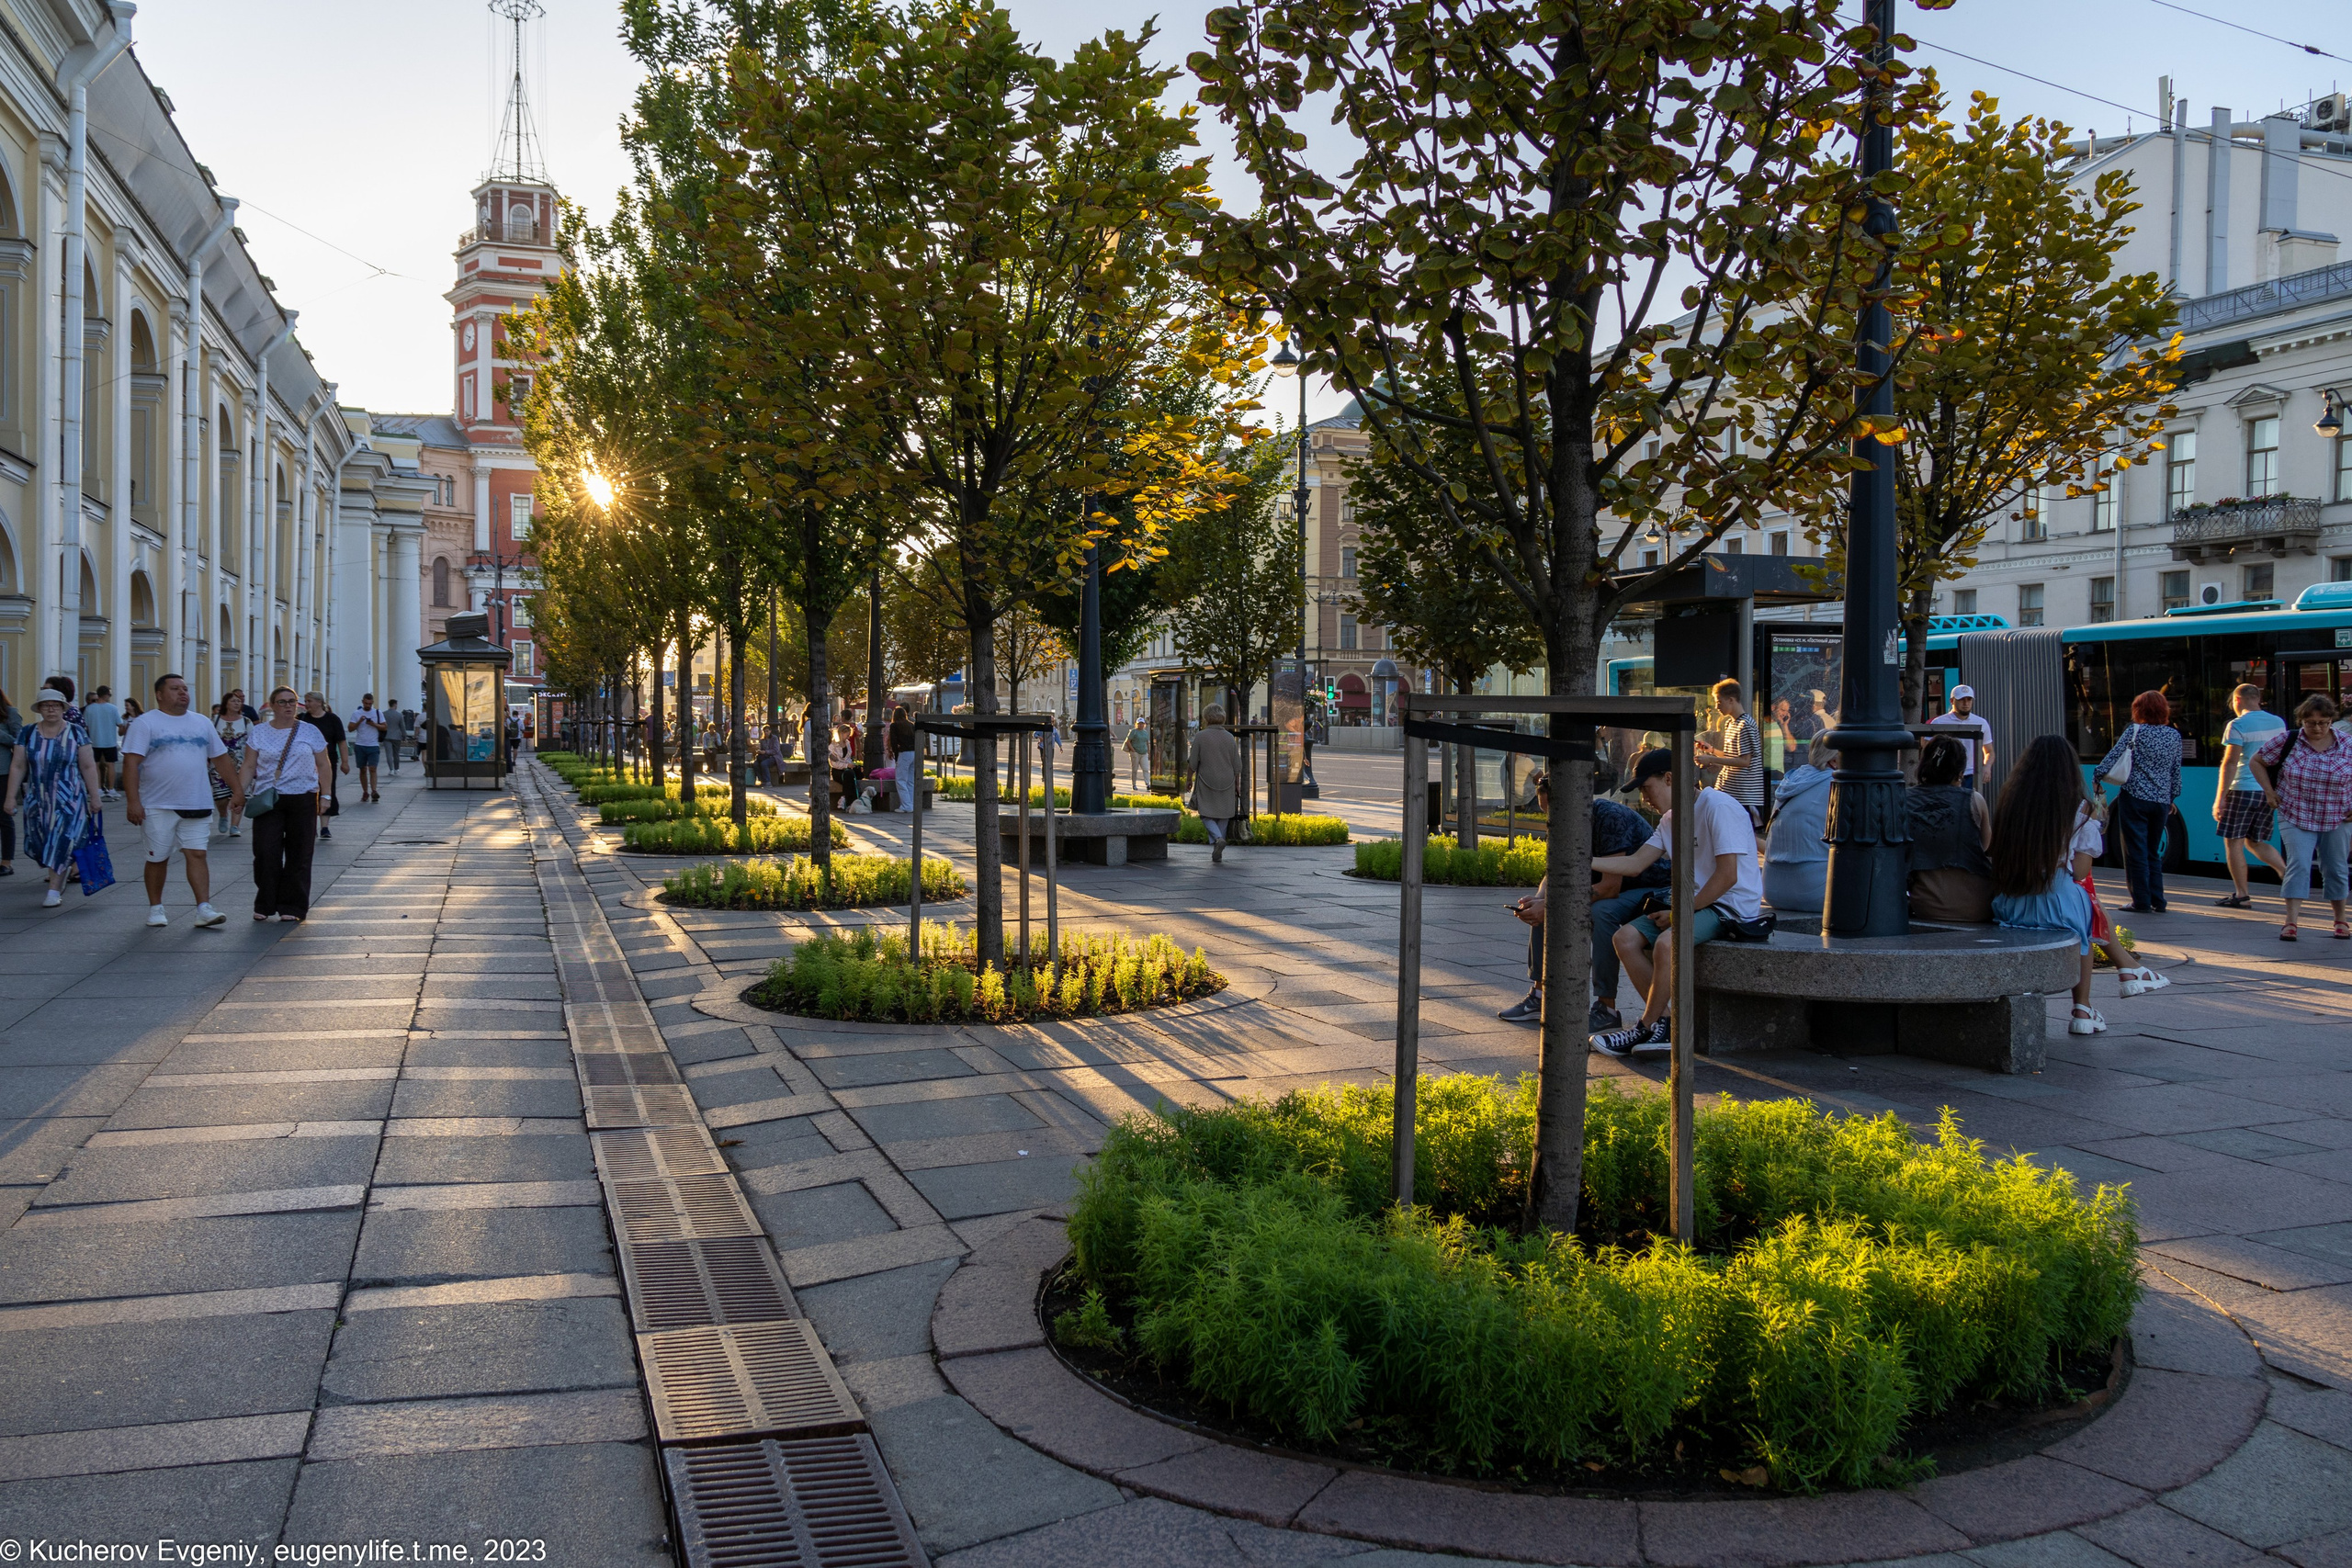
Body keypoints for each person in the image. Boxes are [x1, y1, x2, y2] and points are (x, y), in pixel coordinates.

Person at [1588, 746, 1765, 1055]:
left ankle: (1644, 1027)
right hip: (1691, 901)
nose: (1644, 798)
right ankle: (1666, 1023)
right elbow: (1635, 864)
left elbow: (1728, 876)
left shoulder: (1718, 807)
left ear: (1669, 778)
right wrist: (1582, 860)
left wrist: (1678, 913)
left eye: (1646, 787)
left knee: (1667, 943)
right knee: (1624, 938)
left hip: (1730, 906)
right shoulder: (1670, 820)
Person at [1987, 735, 2143, 1033]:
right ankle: (2082, 1009)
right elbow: (2080, 872)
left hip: (2010, 901)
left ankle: (2127, 970)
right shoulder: (2080, 809)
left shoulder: (2010, 803)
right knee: (2084, 912)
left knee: (2081, 906)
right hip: (2056, 902)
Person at [1504, 774, 1670, 1028]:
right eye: (1545, 813)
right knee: (1543, 905)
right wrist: (1539, 900)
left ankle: (1606, 1008)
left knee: (1601, 911)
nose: (1551, 820)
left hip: (1650, 887)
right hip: (1616, 887)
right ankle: (1540, 995)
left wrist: (1551, 906)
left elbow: (1609, 888)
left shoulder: (1611, 818)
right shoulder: (1562, 825)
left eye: (1554, 813)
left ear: (1574, 805)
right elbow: (1553, 873)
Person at [122, 672, 241, 929]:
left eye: (185, 688)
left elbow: (220, 758)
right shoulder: (145, 723)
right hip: (158, 803)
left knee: (197, 853)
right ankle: (156, 908)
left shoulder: (202, 722)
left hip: (197, 801)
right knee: (158, 857)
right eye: (175, 689)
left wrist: (237, 790)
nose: (183, 693)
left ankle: (204, 908)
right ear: (159, 694)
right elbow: (131, 763)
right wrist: (133, 802)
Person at [2248, 694, 2352, 942]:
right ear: (2301, 721)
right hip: (2296, 812)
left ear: (2331, 721)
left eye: (2323, 723)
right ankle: (2291, 922)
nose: (2317, 728)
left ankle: (2340, 920)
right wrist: (2269, 792)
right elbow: (2257, 761)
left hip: (2338, 815)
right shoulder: (2289, 740)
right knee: (2299, 865)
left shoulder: (2347, 743)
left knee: (2336, 868)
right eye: (2310, 723)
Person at [4, 686, 100, 908]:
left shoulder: (76, 732)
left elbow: (88, 766)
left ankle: (54, 890)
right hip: (38, 800)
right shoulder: (27, 733)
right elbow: (18, 766)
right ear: (39, 709)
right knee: (40, 843)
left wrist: (94, 797)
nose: (51, 709)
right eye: (46, 706)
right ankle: (62, 868)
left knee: (62, 839)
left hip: (70, 799)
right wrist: (10, 797)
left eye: (56, 705)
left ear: (63, 708)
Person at [243, 687, 331, 921]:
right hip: (268, 799)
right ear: (272, 706)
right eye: (282, 702)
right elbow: (249, 766)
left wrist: (326, 795)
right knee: (265, 852)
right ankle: (266, 902)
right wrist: (238, 794)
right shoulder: (259, 732)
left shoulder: (310, 731)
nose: (288, 706)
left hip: (303, 797)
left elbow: (324, 764)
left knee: (300, 853)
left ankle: (292, 906)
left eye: (292, 701)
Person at [2095, 692, 2183, 913]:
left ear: (2139, 710)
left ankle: (2141, 902)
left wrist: (2097, 776)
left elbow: (2113, 756)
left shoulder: (2135, 731)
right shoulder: (2174, 735)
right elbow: (2175, 771)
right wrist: (2171, 797)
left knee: (2135, 851)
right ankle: (2158, 900)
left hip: (2134, 798)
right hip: (2160, 802)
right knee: (2153, 851)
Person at [1905, 734, 1996, 923]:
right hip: (1979, 905)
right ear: (1960, 772)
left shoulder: (1904, 799)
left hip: (1927, 906)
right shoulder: (1974, 800)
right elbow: (1985, 845)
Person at [2212, 682, 2288, 908]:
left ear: (2237, 700)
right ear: (2258, 698)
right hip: (2266, 790)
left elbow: (2230, 763)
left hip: (2242, 789)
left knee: (2233, 842)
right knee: (2255, 841)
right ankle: (2288, 876)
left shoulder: (2237, 724)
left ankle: (2241, 894)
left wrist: (2220, 798)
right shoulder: (2278, 723)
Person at [1762, 733, 1834, 914]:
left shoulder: (1792, 779)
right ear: (1834, 759)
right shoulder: (1836, 783)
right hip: (1816, 893)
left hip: (1772, 891)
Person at [1693, 678, 1766, 825]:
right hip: (1731, 794)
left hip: (1744, 797)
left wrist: (1711, 759)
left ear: (1731, 700)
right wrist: (1711, 750)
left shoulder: (1745, 725)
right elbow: (1732, 757)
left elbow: (1744, 761)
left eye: (1719, 702)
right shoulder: (1732, 724)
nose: (1717, 706)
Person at [1187, 705, 1244, 863]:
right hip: (1228, 780)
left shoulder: (1201, 736)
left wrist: (1188, 779)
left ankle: (1218, 839)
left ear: (1206, 717)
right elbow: (1237, 765)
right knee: (1224, 814)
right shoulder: (1229, 737)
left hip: (1207, 780)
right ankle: (1218, 848)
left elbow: (1193, 763)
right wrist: (1237, 784)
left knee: (1206, 814)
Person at [1928, 683, 1994, 788]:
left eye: (1969, 699)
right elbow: (1928, 749)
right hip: (1946, 775)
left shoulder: (1981, 723)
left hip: (1971, 775)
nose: (1966, 703)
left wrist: (1987, 767)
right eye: (1961, 699)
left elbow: (1989, 751)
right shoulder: (1939, 722)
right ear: (1952, 701)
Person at [304, 692, 349, 840]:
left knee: (327, 789)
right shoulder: (303, 719)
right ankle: (311, 826)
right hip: (306, 763)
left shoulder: (332, 719)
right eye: (306, 701)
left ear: (319, 702)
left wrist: (345, 762)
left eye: (309, 701)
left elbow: (341, 741)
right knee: (309, 792)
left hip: (328, 762)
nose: (306, 704)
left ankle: (324, 827)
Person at [214, 691, 253, 837]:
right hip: (218, 764)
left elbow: (252, 742)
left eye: (238, 701)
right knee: (221, 797)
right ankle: (223, 814)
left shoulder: (246, 722)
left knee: (239, 793)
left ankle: (235, 825)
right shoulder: (215, 720)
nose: (237, 703)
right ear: (226, 703)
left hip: (241, 763)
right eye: (233, 701)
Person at [82, 686, 122, 801]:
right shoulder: (113, 708)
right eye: (110, 694)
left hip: (94, 741)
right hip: (110, 741)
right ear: (106, 695)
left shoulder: (89, 709)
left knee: (95, 765)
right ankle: (111, 789)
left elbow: (86, 726)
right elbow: (119, 723)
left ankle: (98, 788)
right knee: (110, 765)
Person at [349, 694, 386, 804]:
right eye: (366, 703)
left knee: (373, 768)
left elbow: (385, 727)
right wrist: (359, 721)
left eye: (370, 704)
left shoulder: (378, 713)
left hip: (373, 745)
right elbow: (350, 728)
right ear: (362, 702)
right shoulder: (356, 714)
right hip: (360, 745)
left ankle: (374, 791)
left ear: (372, 702)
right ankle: (365, 791)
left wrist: (374, 724)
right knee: (363, 769)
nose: (368, 705)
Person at [0, 687, 19, 877]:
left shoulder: (10, 713)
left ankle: (6, 862)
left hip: (3, 772)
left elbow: (20, 741)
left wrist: (1, 735)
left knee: (4, 817)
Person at [889, 705, 920, 811]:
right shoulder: (911, 725)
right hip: (914, 753)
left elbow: (894, 742)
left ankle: (906, 805)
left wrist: (896, 756)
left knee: (900, 780)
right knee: (910, 781)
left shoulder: (894, 726)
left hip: (904, 753)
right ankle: (911, 804)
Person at [1123, 716, 1149, 790]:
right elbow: (1128, 741)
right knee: (1135, 769)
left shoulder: (1145, 732)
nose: (1141, 725)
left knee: (1145, 769)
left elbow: (1147, 743)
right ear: (1136, 724)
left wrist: (1148, 752)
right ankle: (1134, 784)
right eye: (1139, 723)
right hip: (1135, 753)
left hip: (1144, 753)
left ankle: (1147, 784)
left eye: (1142, 723)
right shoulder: (1133, 731)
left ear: (1144, 724)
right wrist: (1133, 750)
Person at [384, 704, 409, 774]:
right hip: (397, 737)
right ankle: (396, 769)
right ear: (395, 705)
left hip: (386, 736)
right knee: (396, 754)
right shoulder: (399, 715)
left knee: (388, 753)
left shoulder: (384, 714)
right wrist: (404, 736)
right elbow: (402, 726)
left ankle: (391, 769)